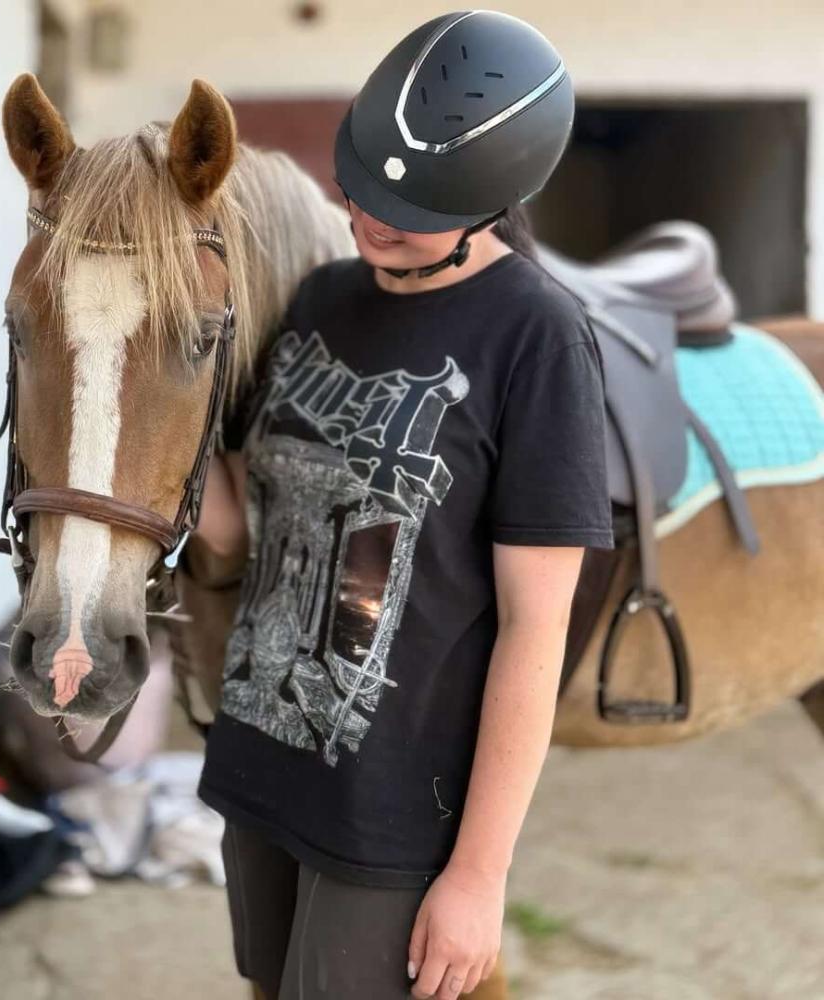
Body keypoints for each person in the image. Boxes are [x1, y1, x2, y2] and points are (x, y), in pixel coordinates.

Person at [193, 10, 614, 1000]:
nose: (368, 220)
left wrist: (476, 874)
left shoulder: (537, 339)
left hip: (390, 817)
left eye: (408, 207)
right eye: (361, 190)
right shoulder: (322, 296)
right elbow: (243, 528)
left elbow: (532, 629)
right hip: (262, 767)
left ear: (490, 201)